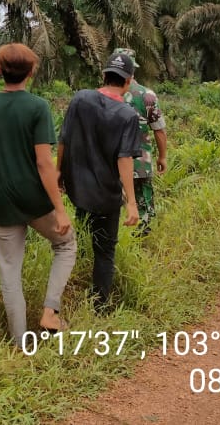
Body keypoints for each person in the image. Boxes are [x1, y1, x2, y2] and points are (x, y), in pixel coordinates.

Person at [0, 43, 76, 344]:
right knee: (66, 245)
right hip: (35, 200)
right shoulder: (37, 107)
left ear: (0, 70)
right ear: (31, 73)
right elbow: (44, 163)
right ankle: (50, 311)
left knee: (9, 271)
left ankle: (20, 343)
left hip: (0, 201)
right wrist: (61, 208)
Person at [57, 51, 141, 309]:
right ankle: (100, 306)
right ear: (128, 82)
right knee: (104, 251)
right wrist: (132, 203)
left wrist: (58, 172)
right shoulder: (128, 115)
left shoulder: (80, 99)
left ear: (103, 75)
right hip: (106, 195)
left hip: (77, 188)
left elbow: (64, 139)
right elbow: (124, 159)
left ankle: (71, 289)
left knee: (79, 236)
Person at [113, 48, 168, 235]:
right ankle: (141, 240)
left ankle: (116, 238)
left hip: (110, 162)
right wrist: (162, 157)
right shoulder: (147, 95)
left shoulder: (104, 95)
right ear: (133, 69)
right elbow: (159, 130)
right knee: (143, 205)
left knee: (112, 206)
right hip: (140, 162)